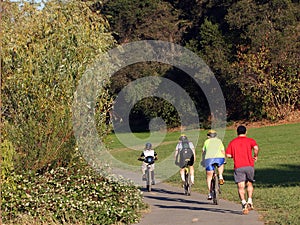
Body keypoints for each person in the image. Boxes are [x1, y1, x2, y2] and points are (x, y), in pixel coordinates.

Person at [226, 125, 259, 215]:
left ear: (237, 132)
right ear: (246, 132)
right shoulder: (250, 140)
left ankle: (244, 202)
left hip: (238, 166)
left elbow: (228, 155)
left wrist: (234, 155)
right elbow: (256, 148)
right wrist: (255, 156)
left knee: (241, 186)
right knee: (249, 183)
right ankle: (250, 200)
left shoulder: (233, 142)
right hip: (249, 165)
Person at [202, 129, 226, 200]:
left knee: (209, 176)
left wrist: (203, 160)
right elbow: (222, 151)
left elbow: (203, 151)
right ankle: (220, 176)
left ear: (209, 136)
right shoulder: (219, 141)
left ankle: (210, 193)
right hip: (219, 157)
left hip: (209, 159)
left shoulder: (206, 142)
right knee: (221, 164)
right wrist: (224, 159)